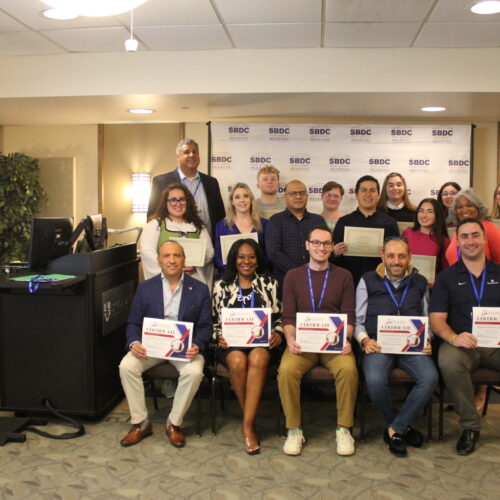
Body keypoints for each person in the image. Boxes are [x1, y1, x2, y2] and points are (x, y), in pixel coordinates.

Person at [118, 241, 212, 448]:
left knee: (194, 372)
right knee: (126, 366)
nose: (172, 260)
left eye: (176, 256)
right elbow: (133, 322)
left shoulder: (200, 289)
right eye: (166, 256)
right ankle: (141, 423)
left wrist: (197, 344)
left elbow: (206, 326)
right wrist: (134, 342)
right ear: (159, 260)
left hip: (183, 349)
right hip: (152, 347)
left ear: (184, 260)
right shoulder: (145, 288)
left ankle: (174, 423)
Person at [278, 225, 358, 456]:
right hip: (302, 344)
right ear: (307, 245)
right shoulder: (293, 276)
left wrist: (347, 338)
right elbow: (288, 316)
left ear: (332, 247)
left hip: (335, 343)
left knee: (349, 370)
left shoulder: (344, 276)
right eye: (316, 243)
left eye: (326, 243)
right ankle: (294, 429)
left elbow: (349, 315)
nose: (321, 248)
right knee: (286, 371)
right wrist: (290, 339)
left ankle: (344, 429)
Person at [355, 236, 438, 457]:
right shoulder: (367, 280)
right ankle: (401, 426)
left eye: (401, 256)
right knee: (374, 379)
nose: (396, 261)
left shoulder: (420, 282)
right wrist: (364, 339)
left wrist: (427, 339)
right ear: (383, 257)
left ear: (409, 257)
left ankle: (395, 428)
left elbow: (426, 316)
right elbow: (358, 319)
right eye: (391, 256)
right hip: (379, 344)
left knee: (430, 378)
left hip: (412, 346)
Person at [430, 218, 500, 455]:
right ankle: (470, 426)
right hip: (461, 344)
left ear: (484, 238)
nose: (470, 241)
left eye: (475, 235)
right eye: (465, 237)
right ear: (457, 242)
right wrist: (453, 338)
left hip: (495, 344)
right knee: (449, 362)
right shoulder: (446, 277)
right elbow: (437, 319)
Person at [213, 239, 283, 454]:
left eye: (251, 256)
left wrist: (278, 333)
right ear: (234, 259)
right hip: (230, 344)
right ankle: (250, 424)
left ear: (258, 259)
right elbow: (213, 321)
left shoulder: (270, 284)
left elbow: (280, 318)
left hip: (262, 343)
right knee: (236, 360)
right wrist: (218, 336)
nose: (246, 261)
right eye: (241, 256)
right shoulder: (221, 285)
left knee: (258, 359)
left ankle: (247, 425)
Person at [140, 183, 215, 290]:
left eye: (182, 199)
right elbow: (147, 252)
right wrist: (172, 269)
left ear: (187, 202)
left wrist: (195, 265)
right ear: (166, 203)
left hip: (192, 283)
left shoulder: (198, 226)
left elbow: (209, 252)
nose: (178, 203)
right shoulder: (155, 225)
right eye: (173, 200)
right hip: (165, 285)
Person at [147, 138, 225, 240]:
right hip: (173, 248)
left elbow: (220, 217)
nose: (192, 155)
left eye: (195, 152)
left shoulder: (211, 183)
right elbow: (152, 216)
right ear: (178, 157)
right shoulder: (161, 182)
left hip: (207, 247)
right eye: (187, 152)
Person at [333, 175, 400, 285]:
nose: (368, 194)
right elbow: (332, 259)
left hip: (381, 284)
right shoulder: (344, 222)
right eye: (364, 190)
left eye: (372, 190)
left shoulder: (390, 223)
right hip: (349, 283)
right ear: (356, 195)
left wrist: (388, 253)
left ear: (378, 195)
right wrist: (335, 253)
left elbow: (397, 258)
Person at [266, 180, 325, 289]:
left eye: (302, 193)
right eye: (293, 193)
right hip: (285, 282)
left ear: (307, 196)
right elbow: (273, 252)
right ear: (285, 197)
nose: (298, 197)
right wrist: (299, 273)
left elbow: (324, 247)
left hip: (316, 280)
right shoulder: (275, 220)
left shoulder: (318, 220)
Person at [214, 182, 267, 272]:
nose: (242, 200)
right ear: (232, 202)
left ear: (251, 200)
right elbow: (218, 258)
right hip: (230, 278)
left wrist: (249, 270)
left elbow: (268, 255)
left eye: (246, 196)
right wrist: (237, 271)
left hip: (257, 276)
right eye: (237, 197)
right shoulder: (222, 226)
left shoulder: (264, 224)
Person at [445, 188, 500, 266]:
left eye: (469, 205)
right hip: (455, 277)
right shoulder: (456, 233)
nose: (465, 210)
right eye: (460, 207)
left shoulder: (490, 228)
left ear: (478, 207)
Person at [402, 198, 450, 276]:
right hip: (405, 283)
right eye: (421, 211)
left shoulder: (444, 241)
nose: (424, 215)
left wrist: (436, 283)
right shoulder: (407, 233)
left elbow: (446, 270)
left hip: (430, 286)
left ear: (437, 215)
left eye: (430, 212)